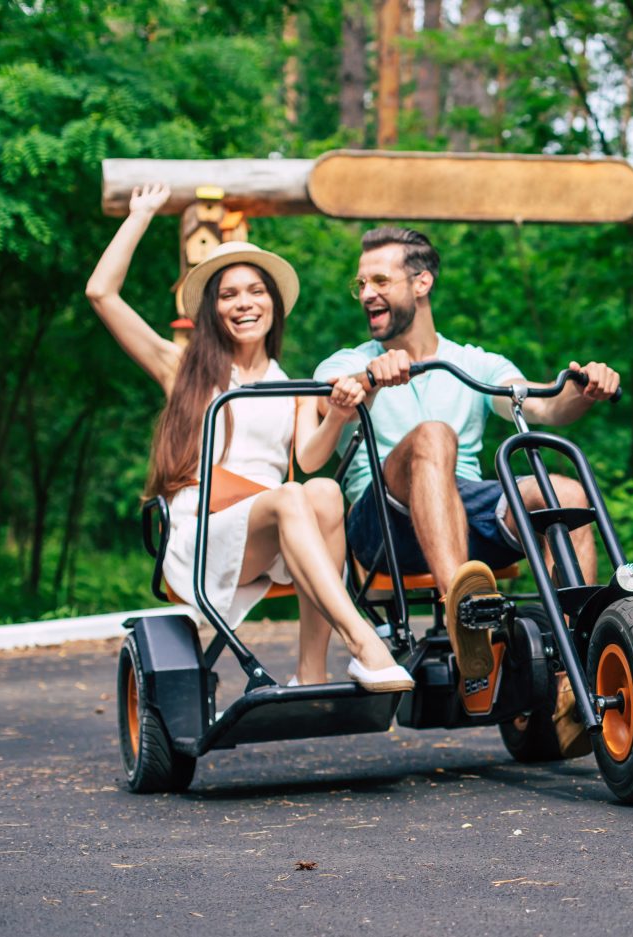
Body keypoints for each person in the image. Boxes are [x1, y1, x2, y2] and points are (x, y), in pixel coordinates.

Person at [85, 183, 413, 693]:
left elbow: (310, 459)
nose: (245, 303)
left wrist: (336, 416)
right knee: (291, 497)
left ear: (273, 304)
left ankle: (311, 672)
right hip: (202, 535)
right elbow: (101, 294)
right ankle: (364, 643)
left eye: (256, 291)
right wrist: (142, 214)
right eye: (229, 294)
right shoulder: (182, 368)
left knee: (323, 491)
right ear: (213, 309)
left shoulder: (291, 386)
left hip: (270, 534)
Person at [314, 227, 618, 738]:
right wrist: (370, 378)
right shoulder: (350, 360)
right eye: (360, 283)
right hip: (383, 525)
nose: (366, 293)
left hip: (464, 510)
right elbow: (328, 403)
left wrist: (584, 390)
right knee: (433, 436)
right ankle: (469, 626)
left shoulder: (474, 363)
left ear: (422, 283)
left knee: (565, 494)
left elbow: (544, 408)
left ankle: (570, 682)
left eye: (380, 280)